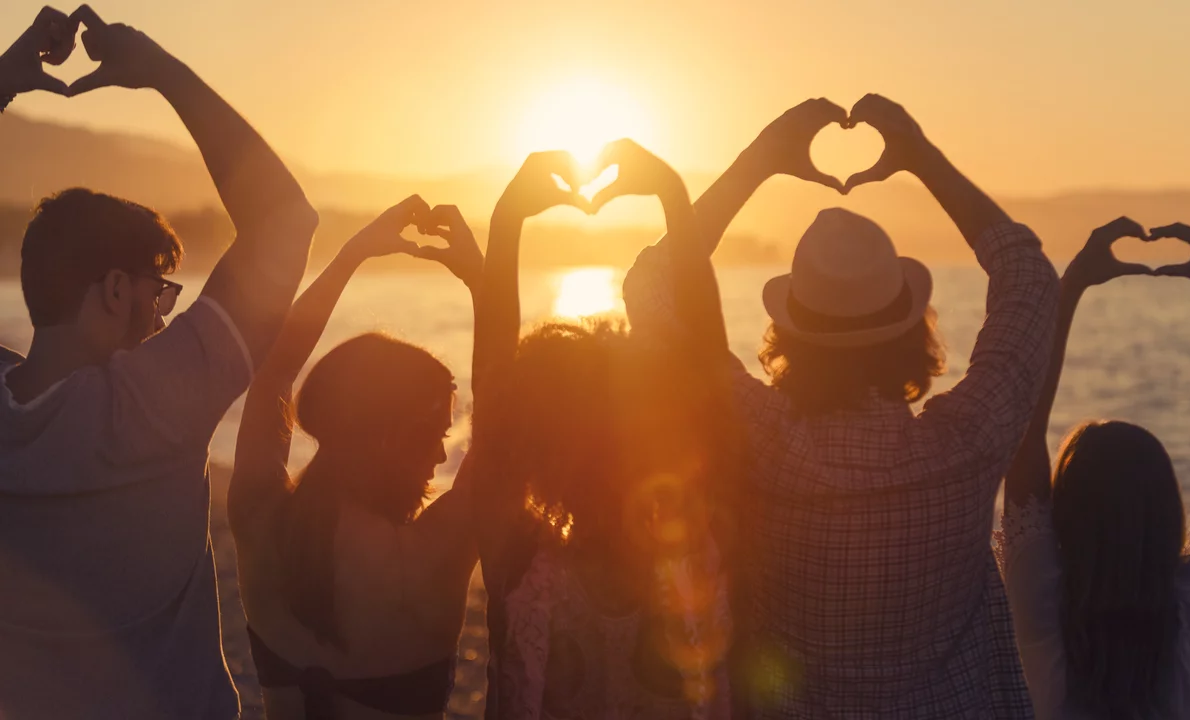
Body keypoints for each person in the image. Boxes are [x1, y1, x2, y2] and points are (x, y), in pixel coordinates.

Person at [623, 95, 1060, 717]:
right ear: (913, 334)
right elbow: (1030, 279)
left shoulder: (756, 435)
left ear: (788, 336)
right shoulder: (966, 445)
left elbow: (650, 286)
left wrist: (758, 162)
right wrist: (921, 157)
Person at [0, 6, 318, 718]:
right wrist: (163, 74)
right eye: (161, 292)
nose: (164, 315)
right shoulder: (150, 407)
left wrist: (4, 80)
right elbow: (285, 221)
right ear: (115, 289)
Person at [472, 141, 738, 720]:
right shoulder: (699, 553)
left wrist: (507, 220)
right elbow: (716, 379)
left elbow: (492, 406)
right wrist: (673, 196)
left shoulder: (520, 567)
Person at [227, 196, 483, 720]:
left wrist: (353, 255)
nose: (441, 453)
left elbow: (273, 373)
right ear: (387, 438)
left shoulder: (260, 519)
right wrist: (482, 280)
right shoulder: (430, 556)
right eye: (433, 433)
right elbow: (504, 419)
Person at [999, 218, 1190, 718]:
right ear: (1166, 513)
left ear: (1066, 510)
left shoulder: (1038, 606)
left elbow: (1024, 431)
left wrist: (1071, 286)